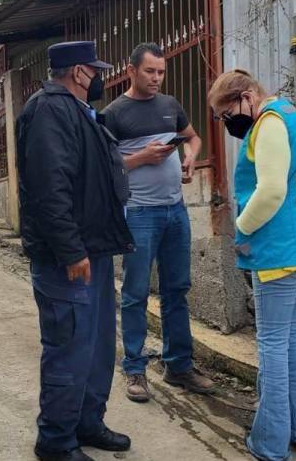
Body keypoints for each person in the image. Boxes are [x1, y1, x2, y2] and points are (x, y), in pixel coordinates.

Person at [209, 68, 296, 461]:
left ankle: (269, 443)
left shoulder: (269, 123)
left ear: (247, 96)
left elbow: (270, 191)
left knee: (271, 342)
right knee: (289, 336)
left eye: (226, 111)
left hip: (282, 249)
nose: (227, 122)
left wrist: (241, 228)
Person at [18, 41, 135, 461]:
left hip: (94, 251)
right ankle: (55, 441)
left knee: (98, 345)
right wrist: (70, 250)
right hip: (69, 257)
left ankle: (87, 422)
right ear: (80, 73)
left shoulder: (78, 111)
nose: (102, 77)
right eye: (96, 69)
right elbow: (51, 187)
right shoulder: (50, 109)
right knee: (69, 346)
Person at [100, 42, 213, 402]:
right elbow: (105, 167)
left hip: (175, 211)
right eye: (150, 71)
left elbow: (194, 137)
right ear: (131, 70)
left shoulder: (170, 105)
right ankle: (135, 368)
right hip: (139, 213)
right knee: (134, 294)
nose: (157, 79)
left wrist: (190, 158)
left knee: (177, 289)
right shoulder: (114, 114)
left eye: (161, 72)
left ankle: (179, 365)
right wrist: (142, 158)